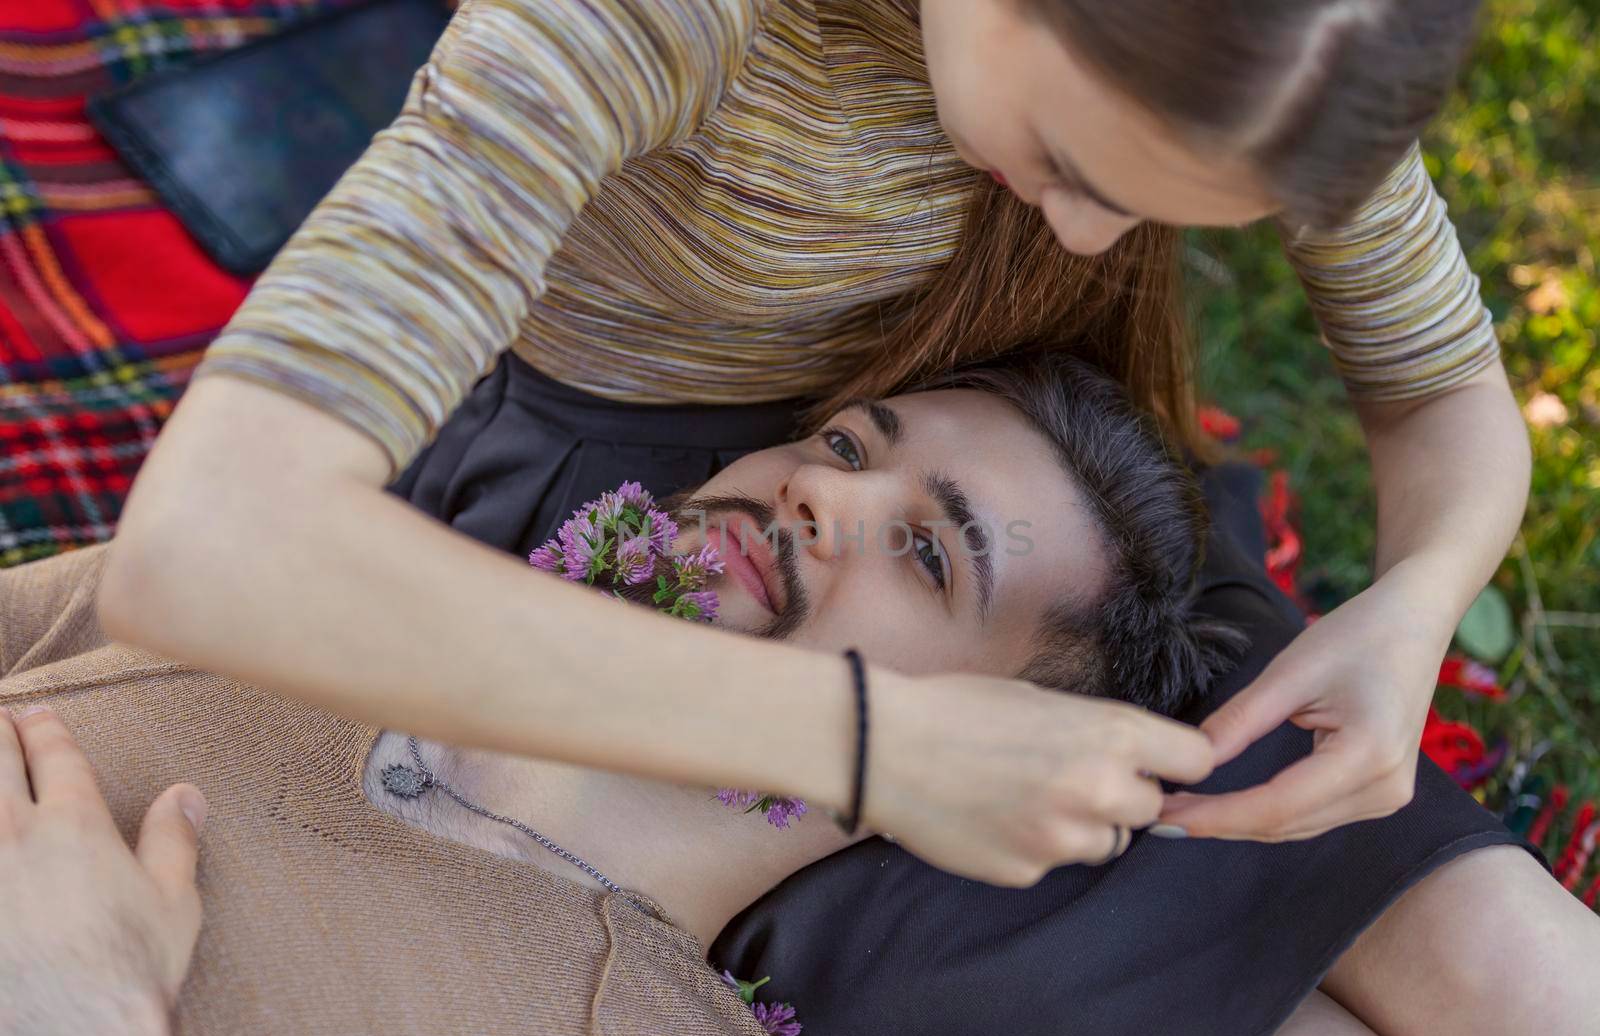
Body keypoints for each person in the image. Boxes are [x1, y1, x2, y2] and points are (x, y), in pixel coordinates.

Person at [97, 0, 1531, 889]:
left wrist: (1413, 607)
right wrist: (876, 746)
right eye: (1077, 172)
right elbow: (207, 543)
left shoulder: (1269, 38)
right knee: (1112, 921)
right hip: (653, 514)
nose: (1088, 238)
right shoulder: (649, 19)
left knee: (1410, 887)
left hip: (1002, 472)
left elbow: (1444, 394)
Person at [6, 359, 1594, 1036]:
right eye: (844, 446)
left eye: (925, 552)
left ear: (1013, 748)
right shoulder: (304, 611)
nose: (823, 498)